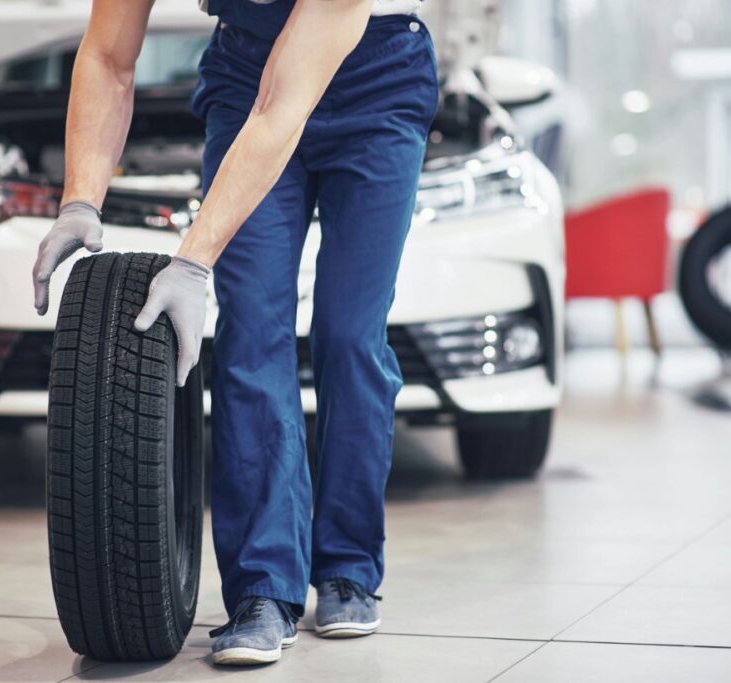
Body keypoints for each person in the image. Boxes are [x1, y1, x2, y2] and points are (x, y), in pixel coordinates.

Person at [32, 0, 437, 666]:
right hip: (246, 67)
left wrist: (192, 261)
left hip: (379, 79)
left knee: (349, 333)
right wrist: (80, 198)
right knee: (251, 332)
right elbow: (108, 56)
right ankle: (263, 590)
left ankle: (348, 568)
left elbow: (283, 106)